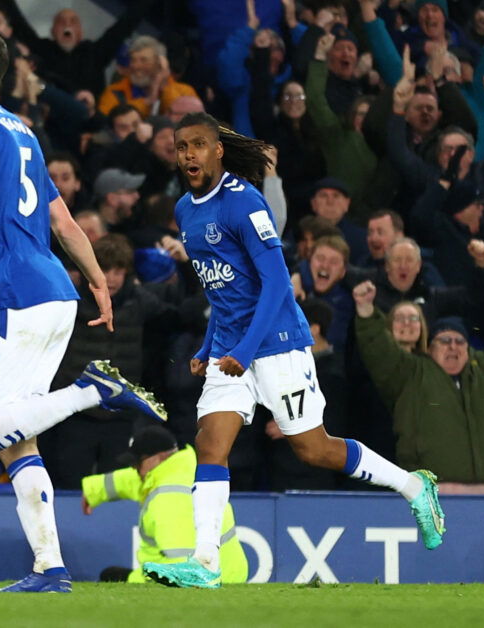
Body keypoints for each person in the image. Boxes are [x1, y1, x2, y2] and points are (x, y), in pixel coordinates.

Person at [0, 26, 167, 593]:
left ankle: (92, 392)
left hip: (14, 300)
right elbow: (63, 220)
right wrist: (96, 278)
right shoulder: (23, 131)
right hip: (54, 295)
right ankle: (51, 568)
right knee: (17, 437)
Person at [142, 113, 445, 591]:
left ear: (219, 149)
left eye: (199, 145)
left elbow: (278, 283)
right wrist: (208, 346)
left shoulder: (244, 203)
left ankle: (413, 486)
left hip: (277, 342)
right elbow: (223, 291)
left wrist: (245, 348)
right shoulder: (185, 210)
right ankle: (205, 560)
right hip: (229, 347)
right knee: (210, 444)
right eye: (182, 147)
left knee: (313, 448)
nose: (189, 155)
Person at [354, 276, 484, 494]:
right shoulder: (411, 373)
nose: (453, 347)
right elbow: (379, 350)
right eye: (444, 341)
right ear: (430, 348)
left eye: (459, 341)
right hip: (429, 494)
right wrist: (365, 310)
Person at [81, 425, 247, 584]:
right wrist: (95, 490)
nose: (134, 468)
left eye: (136, 463)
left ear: (157, 459)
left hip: (207, 578)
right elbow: (133, 480)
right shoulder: (184, 468)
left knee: (111, 575)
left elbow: (183, 565)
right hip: (229, 571)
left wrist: (135, 580)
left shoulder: (169, 499)